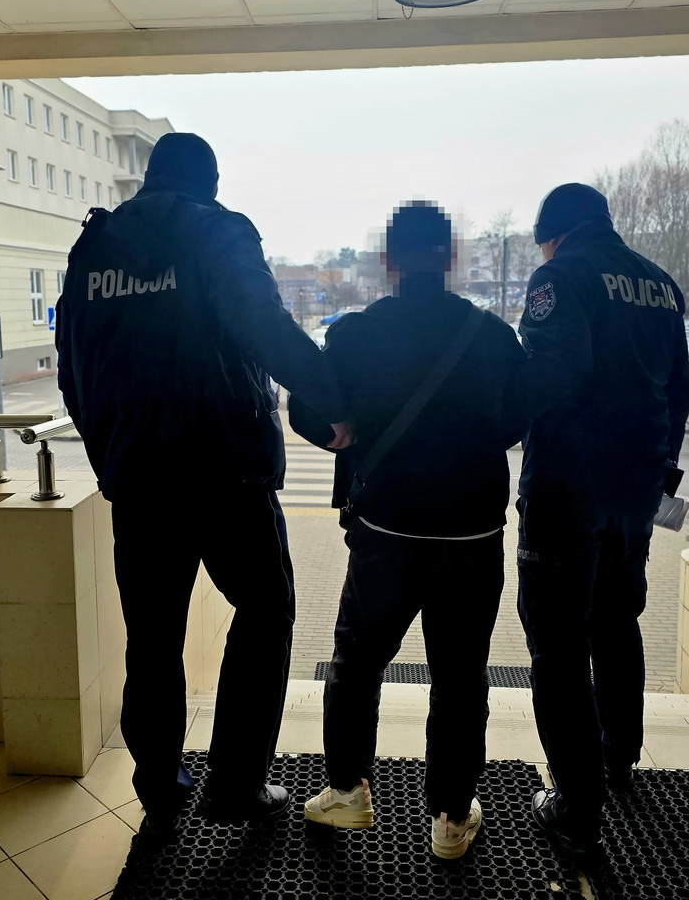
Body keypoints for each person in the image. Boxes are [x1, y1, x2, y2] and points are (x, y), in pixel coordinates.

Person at [55, 133, 352, 834]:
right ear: (209, 183)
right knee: (266, 610)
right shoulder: (218, 230)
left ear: (150, 179)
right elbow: (263, 325)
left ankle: (160, 787)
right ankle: (237, 786)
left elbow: (72, 364)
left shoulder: (94, 247)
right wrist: (333, 400)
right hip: (225, 470)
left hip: (138, 477)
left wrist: (109, 454)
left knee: (152, 636)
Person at [289, 201, 526, 860]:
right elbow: (518, 419)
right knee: (460, 678)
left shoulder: (355, 335)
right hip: (471, 538)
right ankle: (450, 819)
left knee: (357, 663)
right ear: (451, 259)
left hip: (385, 532)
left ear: (388, 261)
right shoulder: (492, 336)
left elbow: (305, 406)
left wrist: (338, 432)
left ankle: (347, 791)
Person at [512, 183, 689, 862]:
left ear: (551, 235)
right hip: (636, 492)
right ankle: (619, 757)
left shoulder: (560, 278)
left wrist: (491, 420)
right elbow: (679, 391)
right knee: (616, 623)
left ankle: (575, 807)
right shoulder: (660, 285)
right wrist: (660, 470)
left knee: (557, 647)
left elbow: (551, 378)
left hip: (568, 492)